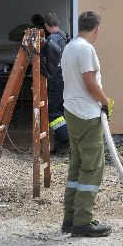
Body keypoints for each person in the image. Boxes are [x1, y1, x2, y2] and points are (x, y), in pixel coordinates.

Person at [60, 11, 113, 237]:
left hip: (71, 111)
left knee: (77, 163)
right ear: (97, 28)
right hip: (86, 113)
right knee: (92, 167)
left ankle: (70, 219)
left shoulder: (70, 47)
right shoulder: (86, 49)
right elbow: (90, 83)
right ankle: (83, 221)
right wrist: (105, 102)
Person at [44, 12, 71, 154]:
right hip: (68, 80)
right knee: (63, 113)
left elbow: (49, 65)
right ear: (58, 23)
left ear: (46, 25)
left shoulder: (51, 40)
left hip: (56, 81)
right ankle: (61, 147)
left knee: (54, 114)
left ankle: (67, 139)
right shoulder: (66, 36)